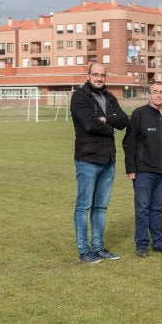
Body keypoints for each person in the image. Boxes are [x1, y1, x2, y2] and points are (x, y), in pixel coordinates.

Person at [70, 62, 129, 263]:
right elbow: (89, 123)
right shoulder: (80, 96)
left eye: (102, 75)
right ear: (88, 75)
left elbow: (124, 119)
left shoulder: (110, 97)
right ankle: (84, 250)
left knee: (101, 207)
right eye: (95, 74)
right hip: (87, 159)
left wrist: (106, 119)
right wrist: (110, 127)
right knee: (84, 206)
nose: (99, 78)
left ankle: (98, 247)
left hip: (108, 159)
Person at [123, 81, 162, 258]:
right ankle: (141, 244)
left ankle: (158, 243)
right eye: (155, 92)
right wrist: (131, 167)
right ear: (149, 94)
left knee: (157, 209)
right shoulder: (139, 114)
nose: (159, 95)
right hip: (143, 171)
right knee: (142, 209)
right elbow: (129, 142)